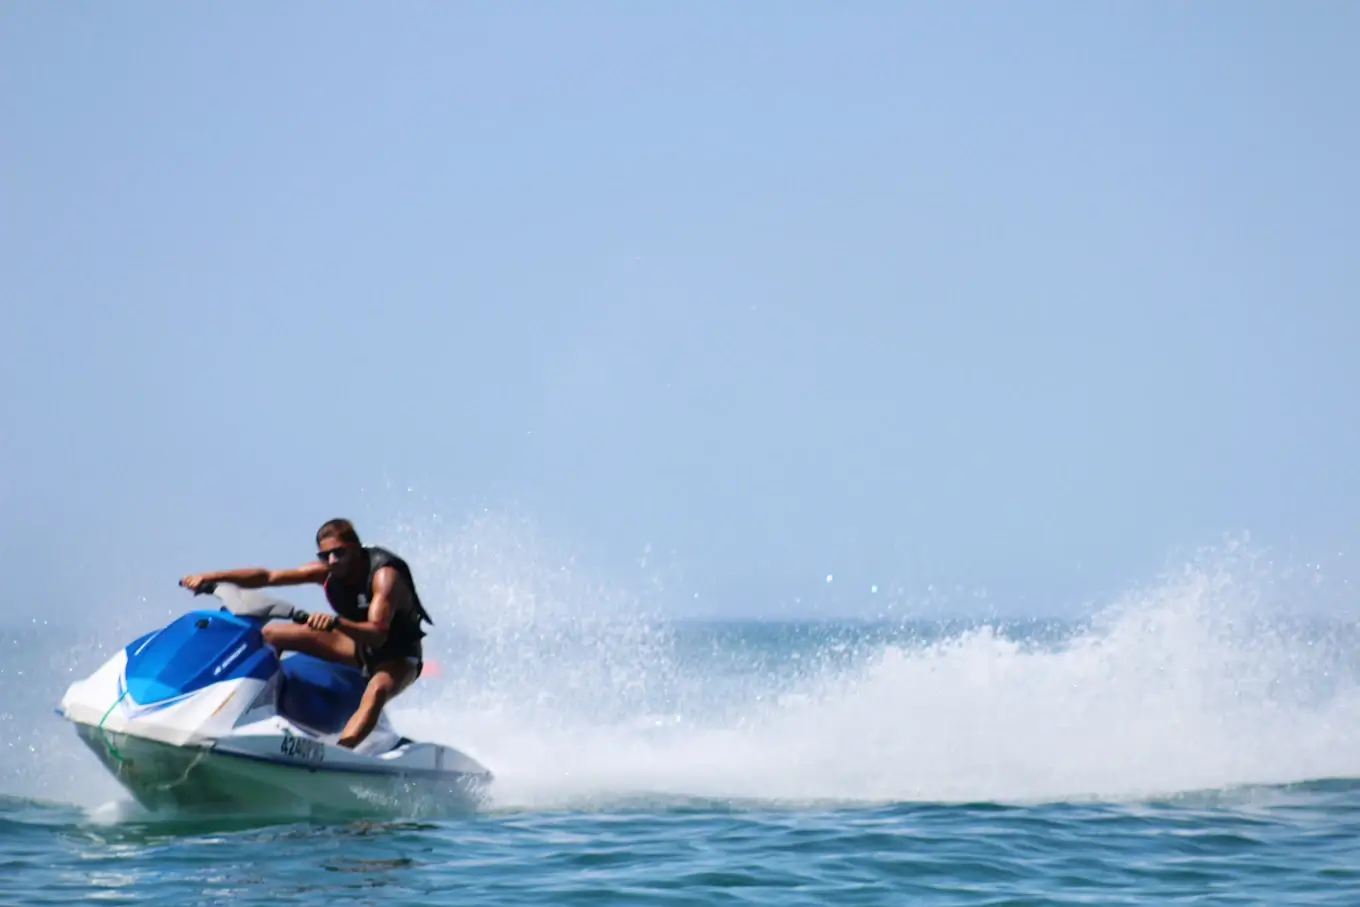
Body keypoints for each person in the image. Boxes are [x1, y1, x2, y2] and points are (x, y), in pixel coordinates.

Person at [179, 518, 433, 749]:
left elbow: (377, 635)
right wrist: (209, 577)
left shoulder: (385, 577)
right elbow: (268, 576)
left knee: (377, 689)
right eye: (325, 555)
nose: (332, 561)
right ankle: (249, 712)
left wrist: (336, 623)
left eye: (339, 552)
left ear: (355, 548)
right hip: (355, 646)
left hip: (397, 657)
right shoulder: (326, 571)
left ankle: (342, 751)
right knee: (269, 635)